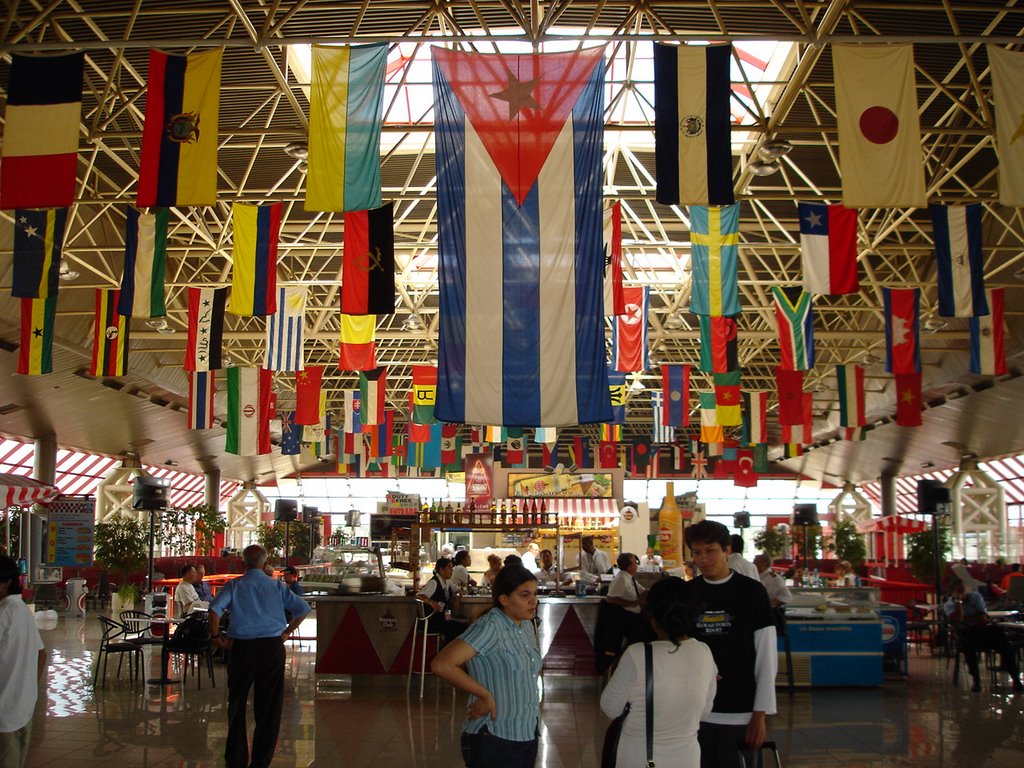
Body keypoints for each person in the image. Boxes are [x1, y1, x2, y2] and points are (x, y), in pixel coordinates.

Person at [684, 520, 777, 768]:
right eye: (697, 553)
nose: (703, 559)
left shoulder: (752, 592)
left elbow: (766, 656)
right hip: (697, 712)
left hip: (741, 712)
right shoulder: (688, 594)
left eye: (710, 551)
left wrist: (760, 714)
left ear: (727, 550)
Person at [209, 545, 312, 768]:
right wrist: (286, 632)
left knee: (237, 703)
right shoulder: (277, 586)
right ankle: (261, 761)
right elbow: (303, 609)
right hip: (271, 647)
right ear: (265, 564)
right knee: (269, 706)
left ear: (242, 563)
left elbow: (215, 610)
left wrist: (216, 637)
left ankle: (235, 760)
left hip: (242, 649)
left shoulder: (235, 585)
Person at [431, 565, 542, 768]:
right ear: (504, 599)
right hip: (495, 736)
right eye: (525, 595)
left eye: (535, 594)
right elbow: (442, 664)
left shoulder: (525, 625)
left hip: (525, 732)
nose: (533, 601)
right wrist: (485, 695)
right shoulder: (491, 627)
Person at [601, 577, 717, 767]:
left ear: (652, 615)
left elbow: (610, 707)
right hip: (687, 758)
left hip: (640, 757)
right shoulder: (704, 651)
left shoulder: (637, 654)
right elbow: (705, 711)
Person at [0, 555, 46, 768]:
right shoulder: (23, 612)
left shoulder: (4, 613)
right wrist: (29, 688)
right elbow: (41, 653)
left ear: (6, 582)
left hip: (5, 710)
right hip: (24, 706)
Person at [943, 578, 1022, 692]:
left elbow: (983, 619)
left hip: (984, 632)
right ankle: (976, 681)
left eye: (963, 589)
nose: (962, 592)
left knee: (1005, 644)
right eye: (958, 590)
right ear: (952, 593)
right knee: (968, 647)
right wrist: (959, 603)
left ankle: (1016, 680)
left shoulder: (975, 597)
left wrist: (967, 619)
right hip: (966, 634)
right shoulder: (949, 605)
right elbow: (959, 620)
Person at [416, 557, 466, 644]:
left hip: (443, 619)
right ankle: (447, 652)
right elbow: (419, 595)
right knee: (456, 629)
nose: (452, 570)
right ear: (441, 570)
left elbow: (458, 590)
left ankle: (447, 651)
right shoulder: (434, 583)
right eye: (449, 568)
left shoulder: (447, 582)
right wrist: (431, 602)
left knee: (462, 625)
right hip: (431, 621)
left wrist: (458, 595)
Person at [606, 552, 647, 643]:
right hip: (627, 619)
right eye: (635, 563)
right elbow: (611, 599)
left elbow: (642, 590)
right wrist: (633, 603)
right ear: (629, 567)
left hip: (635, 617)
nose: (637, 565)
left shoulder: (629, 578)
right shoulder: (621, 579)